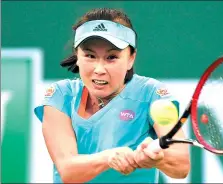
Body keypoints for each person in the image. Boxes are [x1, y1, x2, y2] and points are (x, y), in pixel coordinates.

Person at [34, 8, 190, 183]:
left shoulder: (152, 94)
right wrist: (109, 157)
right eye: (90, 56)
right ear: (77, 56)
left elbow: (181, 165)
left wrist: (159, 159)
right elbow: (68, 170)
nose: (99, 70)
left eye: (112, 57)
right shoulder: (60, 96)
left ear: (131, 58)